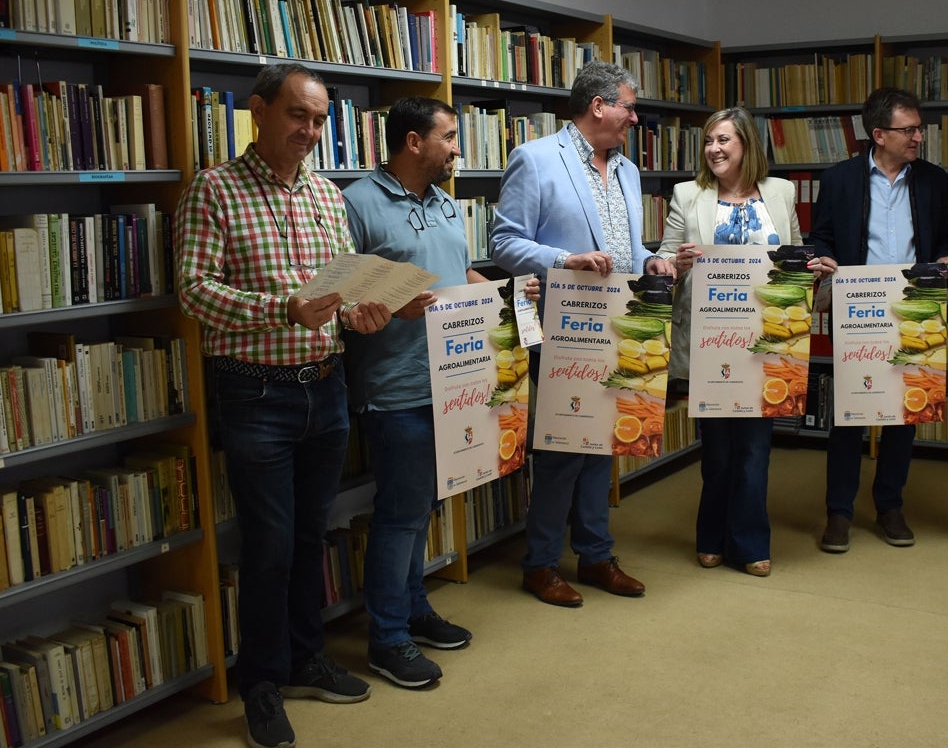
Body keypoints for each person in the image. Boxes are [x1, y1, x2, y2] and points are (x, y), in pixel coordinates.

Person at [176, 62, 392, 748]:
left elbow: (342, 288)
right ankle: (261, 683)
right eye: (298, 115)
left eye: (320, 119)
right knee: (267, 546)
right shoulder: (213, 191)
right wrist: (283, 308)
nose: (309, 131)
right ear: (259, 110)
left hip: (325, 387)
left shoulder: (328, 197)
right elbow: (194, 291)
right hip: (255, 392)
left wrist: (361, 311)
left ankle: (305, 657)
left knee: (308, 536)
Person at [341, 97, 538, 688]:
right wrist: (383, 307)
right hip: (396, 388)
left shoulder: (446, 203)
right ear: (412, 142)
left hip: (452, 380)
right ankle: (388, 639)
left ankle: (414, 609)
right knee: (400, 514)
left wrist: (503, 292)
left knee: (422, 505)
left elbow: (456, 275)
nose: (457, 148)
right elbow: (343, 295)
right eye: (449, 137)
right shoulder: (358, 204)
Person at [490, 61, 672, 607]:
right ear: (598, 106)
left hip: (619, 321)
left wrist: (654, 262)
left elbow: (626, 248)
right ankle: (541, 564)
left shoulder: (628, 170)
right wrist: (565, 259)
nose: (634, 118)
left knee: (605, 440)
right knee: (564, 447)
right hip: (563, 324)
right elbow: (505, 242)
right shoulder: (536, 159)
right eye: (628, 107)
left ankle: (595, 555)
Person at [807, 86, 948, 554]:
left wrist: (946, 261)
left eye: (919, 128)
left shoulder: (935, 180)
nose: (918, 137)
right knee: (849, 416)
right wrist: (824, 260)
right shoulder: (839, 180)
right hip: (859, 310)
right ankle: (839, 512)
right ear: (879, 134)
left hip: (915, 307)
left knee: (904, 412)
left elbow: (941, 239)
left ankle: (890, 505)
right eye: (908, 129)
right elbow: (822, 237)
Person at [657, 107, 803, 577]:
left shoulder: (781, 192)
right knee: (718, 452)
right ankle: (711, 535)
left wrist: (811, 269)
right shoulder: (688, 195)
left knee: (756, 451)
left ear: (747, 145)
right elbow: (664, 258)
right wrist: (673, 264)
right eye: (708, 141)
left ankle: (750, 541)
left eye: (724, 140)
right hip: (710, 342)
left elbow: (794, 254)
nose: (714, 149)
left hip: (767, 339)